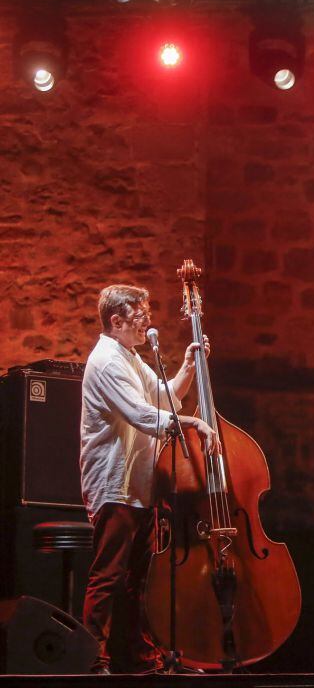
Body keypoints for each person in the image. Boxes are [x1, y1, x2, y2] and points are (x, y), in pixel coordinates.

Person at [79, 284, 220, 674]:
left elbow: (162, 397)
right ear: (116, 320)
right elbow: (141, 415)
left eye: (146, 311)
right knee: (108, 576)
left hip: (138, 485)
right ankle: (92, 660)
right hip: (113, 484)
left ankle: (139, 660)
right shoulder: (106, 361)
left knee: (136, 580)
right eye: (139, 314)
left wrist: (189, 367)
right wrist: (193, 422)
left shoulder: (129, 356)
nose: (147, 320)